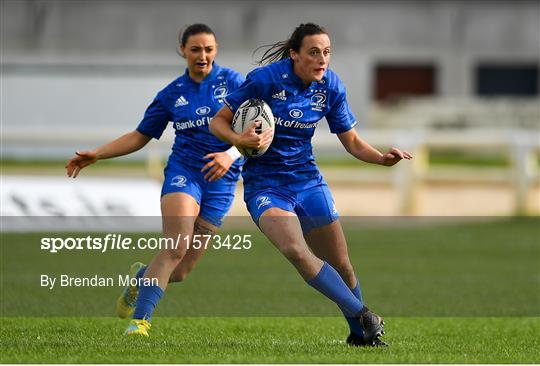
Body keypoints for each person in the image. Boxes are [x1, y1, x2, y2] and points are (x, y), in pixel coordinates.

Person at [210, 23, 412, 347]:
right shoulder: (265, 81)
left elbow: (352, 141)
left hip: (308, 182)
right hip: (266, 186)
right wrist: (237, 139)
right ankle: (364, 316)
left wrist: (380, 158)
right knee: (295, 250)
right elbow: (217, 120)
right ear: (295, 54)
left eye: (327, 52)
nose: (322, 60)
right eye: (314, 52)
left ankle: (361, 336)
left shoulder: (330, 86)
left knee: (343, 265)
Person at [66, 24, 249, 337]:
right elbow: (140, 135)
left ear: (216, 50)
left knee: (180, 271)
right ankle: (141, 322)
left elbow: (258, 130)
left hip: (221, 182)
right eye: (195, 49)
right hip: (184, 173)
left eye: (208, 49)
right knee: (175, 246)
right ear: (183, 50)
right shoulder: (171, 94)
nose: (202, 55)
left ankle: (139, 280)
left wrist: (230, 154)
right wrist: (98, 153)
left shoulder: (235, 83)